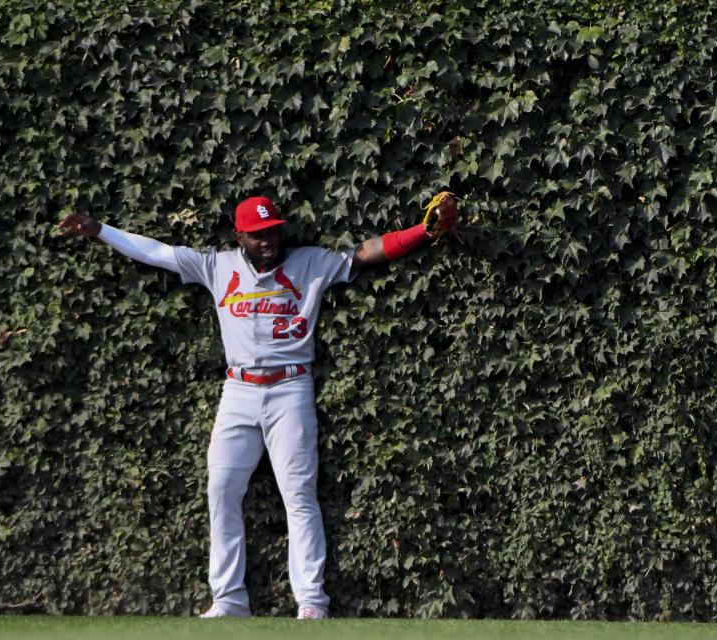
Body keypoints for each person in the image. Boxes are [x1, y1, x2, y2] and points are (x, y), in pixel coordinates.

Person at [58, 194, 457, 619]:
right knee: (221, 492)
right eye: (258, 234)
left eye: (273, 230)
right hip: (238, 392)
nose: (268, 240)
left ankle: (311, 603)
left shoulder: (308, 262)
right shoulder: (217, 265)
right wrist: (100, 231)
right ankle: (229, 600)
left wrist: (422, 231)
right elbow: (157, 252)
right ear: (240, 236)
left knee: (299, 496)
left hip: (290, 389)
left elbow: (364, 253)